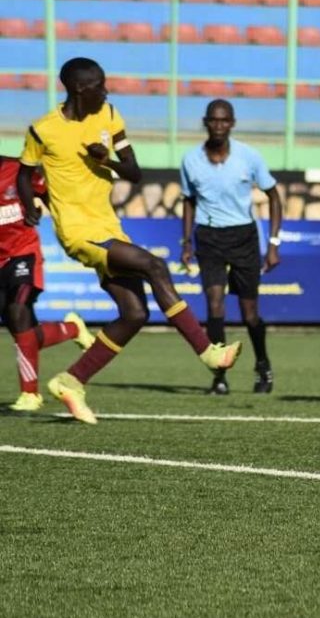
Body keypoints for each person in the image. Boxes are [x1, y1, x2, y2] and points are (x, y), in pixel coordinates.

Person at [16, 57, 242, 424]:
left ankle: (71, 380)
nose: (106, 91)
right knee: (155, 265)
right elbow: (24, 175)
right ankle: (208, 352)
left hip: (109, 227)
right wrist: (30, 206)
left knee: (135, 313)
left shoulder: (109, 115)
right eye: (99, 85)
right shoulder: (44, 130)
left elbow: (134, 172)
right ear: (79, 89)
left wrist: (107, 161)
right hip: (78, 232)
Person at [180, 99, 282, 395]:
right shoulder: (190, 160)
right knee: (214, 305)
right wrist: (186, 241)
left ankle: (262, 364)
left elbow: (274, 196)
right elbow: (188, 200)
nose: (219, 125)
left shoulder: (249, 157)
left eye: (225, 121)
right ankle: (219, 376)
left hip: (243, 237)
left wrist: (274, 244)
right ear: (206, 122)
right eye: (214, 120)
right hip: (209, 237)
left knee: (249, 313)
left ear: (232, 124)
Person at [0, 155, 94, 411]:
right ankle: (72, 328)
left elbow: (49, 191)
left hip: (23, 253)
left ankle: (30, 395)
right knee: (23, 334)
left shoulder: (18, 170)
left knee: (18, 313)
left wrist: (66, 225)